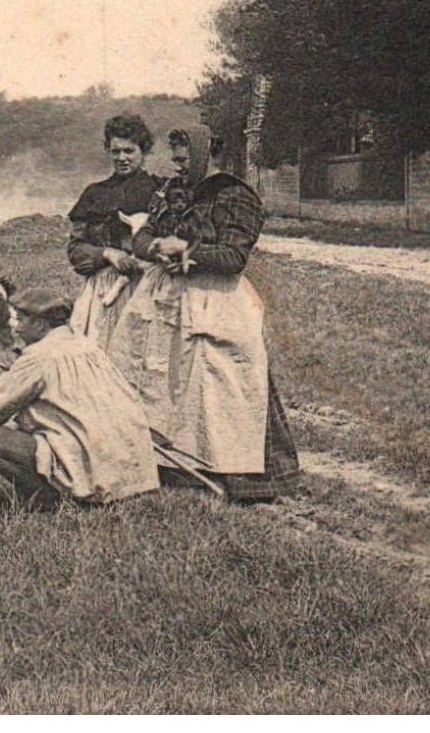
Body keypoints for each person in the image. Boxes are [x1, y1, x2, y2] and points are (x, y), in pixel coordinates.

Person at [124, 124, 300, 502]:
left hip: (214, 300)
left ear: (208, 156)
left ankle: (235, 475)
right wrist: (156, 247)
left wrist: (187, 252)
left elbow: (235, 257)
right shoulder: (171, 192)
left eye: (184, 160)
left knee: (220, 383)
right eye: (175, 160)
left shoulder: (234, 196)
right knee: (169, 380)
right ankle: (176, 465)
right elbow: (140, 237)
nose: (177, 168)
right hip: (168, 300)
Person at [0, 289, 160, 508]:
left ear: (42, 325)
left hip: (89, 464)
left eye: (22, 319)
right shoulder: (88, 347)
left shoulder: (39, 357)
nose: (15, 327)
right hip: (130, 468)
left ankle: (49, 497)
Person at [66, 114, 162, 349]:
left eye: (129, 151)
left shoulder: (161, 191)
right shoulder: (94, 194)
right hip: (101, 291)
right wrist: (108, 253)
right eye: (115, 151)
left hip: (148, 287)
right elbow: (76, 249)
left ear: (144, 151)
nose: (121, 158)